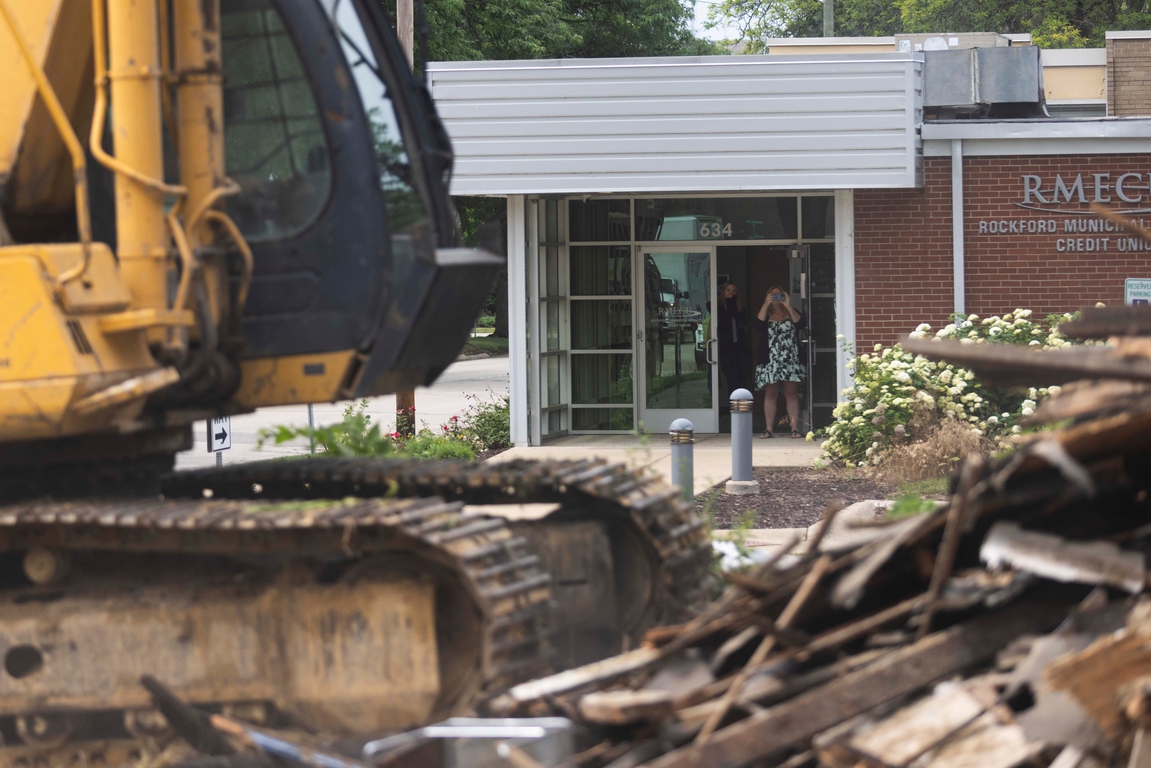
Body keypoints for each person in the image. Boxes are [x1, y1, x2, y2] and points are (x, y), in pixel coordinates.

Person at [754, 285, 806, 438]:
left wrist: (788, 306)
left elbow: (801, 324)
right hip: (771, 360)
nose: (776, 297)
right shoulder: (765, 313)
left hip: (790, 359)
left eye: (779, 294)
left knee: (791, 392)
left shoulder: (790, 311)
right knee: (770, 393)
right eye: (772, 295)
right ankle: (769, 428)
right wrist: (765, 304)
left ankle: (794, 428)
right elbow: (757, 325)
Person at [717, 282, 750, 393]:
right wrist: (729, 304)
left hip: (741, 351)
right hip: (727, 352)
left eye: (733, 290)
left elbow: (741, 323)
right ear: (723, 293)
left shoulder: (740, 309)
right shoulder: (719, 309)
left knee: (743, 384)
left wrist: (733, 305)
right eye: (728, 290)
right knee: (732, 383)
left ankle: (742, 410)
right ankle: (734, 410)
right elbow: (724, 325)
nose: (731, 293)